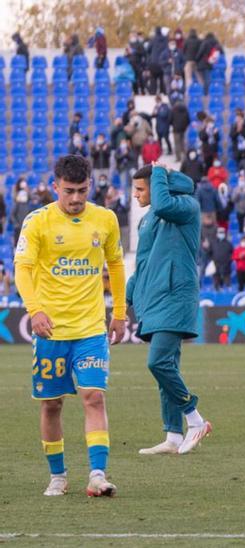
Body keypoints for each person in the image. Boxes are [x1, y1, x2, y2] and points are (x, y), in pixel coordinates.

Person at [15, 155, 127, 497]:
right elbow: (23, 269)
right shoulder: (37, 222)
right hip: (51, 330)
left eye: (81, 190)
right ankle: (58, 476)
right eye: (68, 191)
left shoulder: (105, 219)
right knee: (52, 404)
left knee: (93, 397)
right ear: (55, 187)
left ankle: (97, 475)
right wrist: (35, 311)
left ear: (90, 185)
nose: (76, 198)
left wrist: (119, 312)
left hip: (91, 328)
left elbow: (116, 265)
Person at [129, 165, 212, 456]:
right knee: (167, 368)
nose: (135, 195)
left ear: (158, 185)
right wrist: (125, 300)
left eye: (141, 189)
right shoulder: (150, 218)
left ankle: (195, 420)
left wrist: (159, 173)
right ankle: (173, 435)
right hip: (154, 298)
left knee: (158, 363)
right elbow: (143, 263)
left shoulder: (186, 206)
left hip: (176, 295)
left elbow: (164, 203)